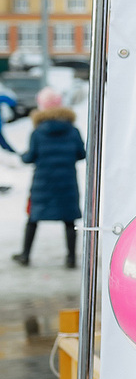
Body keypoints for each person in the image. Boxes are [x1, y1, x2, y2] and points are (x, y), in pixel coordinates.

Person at [14, 87, 83, 268]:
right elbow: (81, 154)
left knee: (33, 218)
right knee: (69, 220)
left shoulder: (38, 132)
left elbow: (30, 157)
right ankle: (71, 258)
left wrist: (22, 156)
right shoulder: (73, 130)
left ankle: (25, 255)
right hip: (67, 183)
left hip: (43, 183)